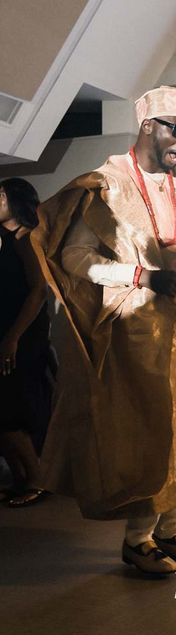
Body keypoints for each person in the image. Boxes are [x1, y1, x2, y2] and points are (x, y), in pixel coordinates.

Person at [32, 86, 176, 575]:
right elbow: (75, 258)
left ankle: (172, 530)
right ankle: (138, 539)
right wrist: (138, 275)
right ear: (148, 125)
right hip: (139, 335)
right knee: (152, 431)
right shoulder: (106, 185)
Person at [0, 178, 52, 507]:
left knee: (9, 413)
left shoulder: (26, 238)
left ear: (14, 200)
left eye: (0, 195)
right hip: (10, 334)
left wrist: (12, 338)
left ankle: (35, 478)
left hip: (19, 338)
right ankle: (21, 479)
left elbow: (38, 291)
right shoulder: (8, 240)